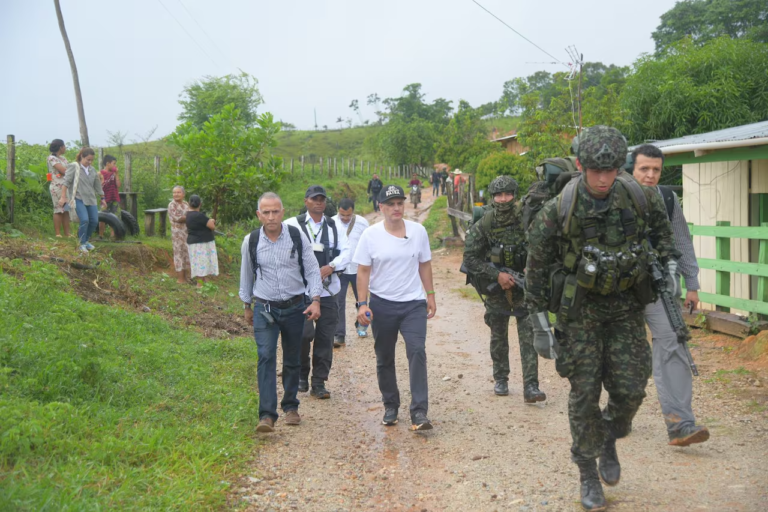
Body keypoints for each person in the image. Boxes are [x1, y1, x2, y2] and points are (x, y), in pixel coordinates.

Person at [525, 126, 679, 511]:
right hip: (580, 314)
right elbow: (536, 267)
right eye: (595, 170)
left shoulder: (641, 198)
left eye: (611, 171)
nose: (603, 179)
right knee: (584, 393)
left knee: (631, 390)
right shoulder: (559, 208)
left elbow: (663, 238)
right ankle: (587, 473)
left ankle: (610, 433)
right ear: (581, 165)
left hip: (626, 308)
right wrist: (540, 324)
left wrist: (671, 267)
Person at [631, 143, 709, 447]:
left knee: (673, 342)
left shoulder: (667, 198)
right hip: (615, 293)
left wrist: (691, 283)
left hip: (656, 286)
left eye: (656, 170)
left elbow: (682, 241)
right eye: (644, 169)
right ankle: (615, 411)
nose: (650, 175)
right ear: (631, 169)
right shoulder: (611, 197)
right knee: (621, 355)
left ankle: (681, 423)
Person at [355, 184, 437, 431]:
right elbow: (363, 271)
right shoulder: (370, 235)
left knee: (417, 351)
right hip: (382, 304)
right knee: (385, 357)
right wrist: (362, 304)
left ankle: (419, 412)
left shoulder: (418, 231)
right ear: (380, 207)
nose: (396, 208)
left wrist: (430, 294)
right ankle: (391, 405)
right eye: (390, 204)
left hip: (413, 304)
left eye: (399, 203)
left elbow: (424, 264)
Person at [239, 192, 323, 433]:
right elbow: (246, 273)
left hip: (295, 306)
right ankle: (266, 414)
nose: (271, 216)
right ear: (259, 215)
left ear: (283, 212)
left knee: (292, 357)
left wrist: (315, 299)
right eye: (266, 212)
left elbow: (312, 270)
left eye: (275, 211)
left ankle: (290, 406)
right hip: (265, 308)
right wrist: (247, 305)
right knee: (265, 356)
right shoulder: (251, 241)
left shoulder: (297, 237)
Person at [462, 176, 546, 402]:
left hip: (523, 289)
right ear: (492, 197)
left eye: (508, 194)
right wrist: (497, 275)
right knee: (498, 336)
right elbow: (470, 259)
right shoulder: (485, 223)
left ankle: (531, 386)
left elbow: (542, 249)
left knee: (528, 337)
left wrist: (532, 269)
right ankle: (501, 379)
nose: (503, 199)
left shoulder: (527, 220)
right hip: (496, 290)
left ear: (515, 196)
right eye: (499, 195)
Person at [285, 185, 349, 399]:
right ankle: (302, 374)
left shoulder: (335, 226)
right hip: (301, 291)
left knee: (325, 337)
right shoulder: (291, 224)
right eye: (314, 199)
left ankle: (319, 382)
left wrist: (331, 266)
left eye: (322, 199)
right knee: (303, 334)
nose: (319, 202)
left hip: (328, 290)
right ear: (306, 201)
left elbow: (348, 252)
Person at [332, 198, 370, 346]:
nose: (345, 218)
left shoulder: (362, 223)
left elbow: (368, 245)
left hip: (358, 268)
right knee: (338, 302)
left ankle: (362, 326)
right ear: (338, 211)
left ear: (353, 211)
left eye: (348, 215)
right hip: (340, 269)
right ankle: (339, 335)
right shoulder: (331, 223)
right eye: (343, 215)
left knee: (362, 301)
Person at [59, 147, 106, 253]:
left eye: (91, 160)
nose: (90, 162)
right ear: (82, 157)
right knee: (84, 220)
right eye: (88, 159)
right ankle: (80, 243)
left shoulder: (92, 170)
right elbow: (66, 182)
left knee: (94, 221)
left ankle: (85, 241)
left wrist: (102, 197)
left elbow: (97, 185)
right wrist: (63, 197)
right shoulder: (74, 167)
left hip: (91, 199)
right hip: (78, 198)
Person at [185, 194, 219, 287]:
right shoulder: (200, 216)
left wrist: (209, 220)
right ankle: (199, 285)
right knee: (202, 263)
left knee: (199, 262)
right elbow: (212, 226)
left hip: (193, 242)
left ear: (189, 204)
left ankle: (204, 282)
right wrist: (211, 220)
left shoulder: (188, 215)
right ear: (200, 204)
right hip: (202, 243)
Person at [47, 139, 71, 238]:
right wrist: (67, 171)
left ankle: (67, 233)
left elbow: (67, 170)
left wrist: (67, 171)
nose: (65, 147)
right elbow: (64, 170)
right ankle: (58, 233)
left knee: (66, 209)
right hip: (57, 186)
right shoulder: (51, 158)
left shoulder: (63, 158)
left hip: (65, 185)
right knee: (58, 209)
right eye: (64, 146)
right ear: (60, 147)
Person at [168, 186, 191, 284]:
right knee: (178, 255)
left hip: (187, 234)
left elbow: (191, 214)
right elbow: (178, 218)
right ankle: (180, 279)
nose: (176, 194)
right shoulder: (172, 205)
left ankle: (186, 278)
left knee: (186, 254)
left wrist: (191, 216)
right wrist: (191, 216)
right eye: (174, 192)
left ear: (183, 194)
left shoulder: (186, 204)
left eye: (178, 192)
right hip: (177, 234)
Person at [98, 155, 121, 238]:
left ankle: (113, 235)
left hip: (114, 198)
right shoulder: (100, 173)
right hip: (105, 198)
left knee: (114, 216)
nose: (115, 166)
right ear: (108, 163)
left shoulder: (114, 174)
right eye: (114, 164)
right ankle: (101, 234)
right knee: (103, 217)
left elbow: (118, 185)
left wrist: (117, 174)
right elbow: (98, 186)